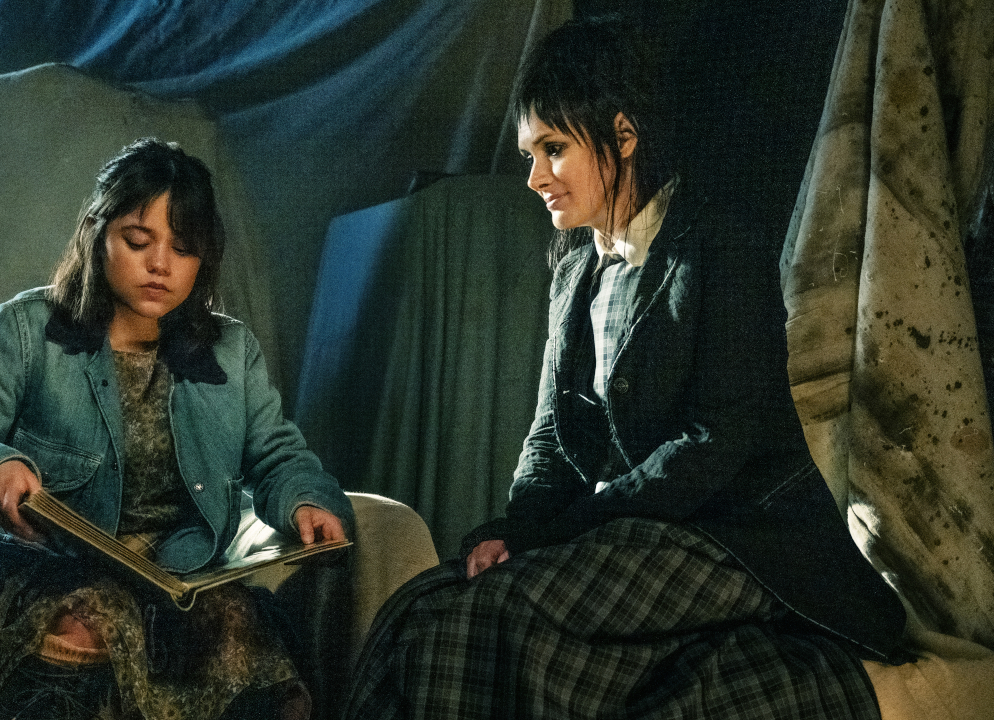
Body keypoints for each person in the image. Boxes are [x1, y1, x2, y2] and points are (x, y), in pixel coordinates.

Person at [343, 16, 906, 720]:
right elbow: (548, 438)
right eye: (529, 154)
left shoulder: (718, 247)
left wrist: (570, 529)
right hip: (627, 531)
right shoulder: (575, 274)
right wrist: (513, 531)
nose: (534, 176)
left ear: (624, 135)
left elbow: (716, 443)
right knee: (427, 608)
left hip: (733, 537)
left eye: (553, 148)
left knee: (505, 614)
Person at [0, 138, 354, 720]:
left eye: (183, 249)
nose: (159, 265)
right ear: (97, 232)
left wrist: (306, 502)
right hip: (48, 568)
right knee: (95, 620)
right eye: (138, 241)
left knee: (239, 625)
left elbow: (278, 455)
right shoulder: (25, 331)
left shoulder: (231, 351)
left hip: (178, 575)